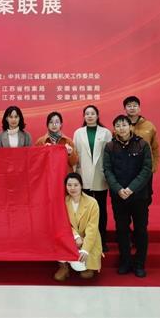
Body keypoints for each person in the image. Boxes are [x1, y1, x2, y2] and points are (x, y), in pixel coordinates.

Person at [103, 114, 152, 278]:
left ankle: (139, 264)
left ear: (130, 127)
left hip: (139, 196)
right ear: (114, 129)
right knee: (122, 230)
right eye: (118, 125)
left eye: (124, 125)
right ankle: (125, 262)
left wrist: (131, 188)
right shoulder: (110, 147)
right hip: (119, 197)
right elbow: (107, 170)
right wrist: (118, 189)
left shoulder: (142, 144)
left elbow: (146, 170)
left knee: (140, 230)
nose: (121, 128)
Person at [73, 105, 113, 251]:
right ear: (84, 116)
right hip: (83, 174)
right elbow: (75, 155)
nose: (90, 116)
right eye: (87, 114)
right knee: (85, 210)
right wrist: (75, 175)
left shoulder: (106, 132)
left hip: (100, 175)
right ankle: (85, 241)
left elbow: (110, 154)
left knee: (101, 208)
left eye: (92, 113)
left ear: (97, 115)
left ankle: (102, 241)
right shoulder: (78, 133)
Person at [54, 172, 102, 282]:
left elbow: (92, 228)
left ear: (81, 186)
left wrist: (85, 249)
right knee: (58, 240)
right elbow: (63, 224)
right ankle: (63, 266)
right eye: (69, 185)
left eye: (76, 185)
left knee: (81, 268)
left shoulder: (92, 203)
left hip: (87, 239)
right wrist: (76, 237)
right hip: (69, 238)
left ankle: (87, 266)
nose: (72, 188)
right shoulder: (63, 202)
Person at [123, 95, 160, 200]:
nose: (132, 108)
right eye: (129, 106)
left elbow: (155, 148)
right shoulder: (120, 125)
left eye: (135, 105)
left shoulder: (149, 126)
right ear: (125, 109)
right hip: (125, 168)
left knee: (145, 197)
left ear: (139, 108)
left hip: (145, 168)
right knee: (127, 197)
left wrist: (153, 166)